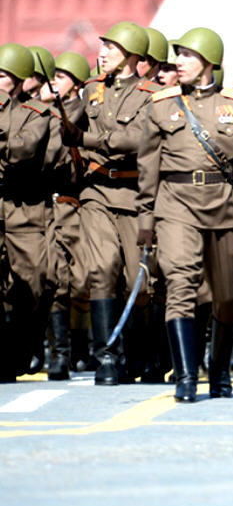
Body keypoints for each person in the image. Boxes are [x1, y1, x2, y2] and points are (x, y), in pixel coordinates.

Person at [136, 26, 233, 402]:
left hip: (226, 208)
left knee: (228, 295)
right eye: (177, 55)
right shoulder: (162, 105)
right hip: (176, 205)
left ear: (208, 61)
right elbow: (148, 167)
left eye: (187, 56)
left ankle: (219, 370)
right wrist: (146, 221)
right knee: (180, 284)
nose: (178, 62)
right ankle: (185, 375)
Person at [60, 21, 153, 385]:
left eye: (111, 49)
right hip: (97, 190)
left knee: (138, 282)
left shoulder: (150, 94)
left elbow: (137, 139)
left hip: (134, 193)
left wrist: (88, 137)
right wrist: (67, 121)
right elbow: (71, 130)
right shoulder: (92, 90)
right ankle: (107, 357)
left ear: (132, 55)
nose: (102, 55)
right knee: (102, 268)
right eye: (102, 49)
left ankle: (137, 354)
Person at [0, 43, 52, 382]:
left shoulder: (36, 112)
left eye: (2, 76)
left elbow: (25, 150)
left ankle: (25, 349)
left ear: (18, 80)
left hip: (24, 209)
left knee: (33, 284)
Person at [40, 51, 92, 380]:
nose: (54, 80)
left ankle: (83, 345)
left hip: (79, 205)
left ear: (75, 85)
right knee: (55, 279)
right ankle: (60, 353)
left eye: (61, 76)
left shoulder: (85, 112)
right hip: (50, 204)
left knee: (85, 279)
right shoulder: (40, 114)